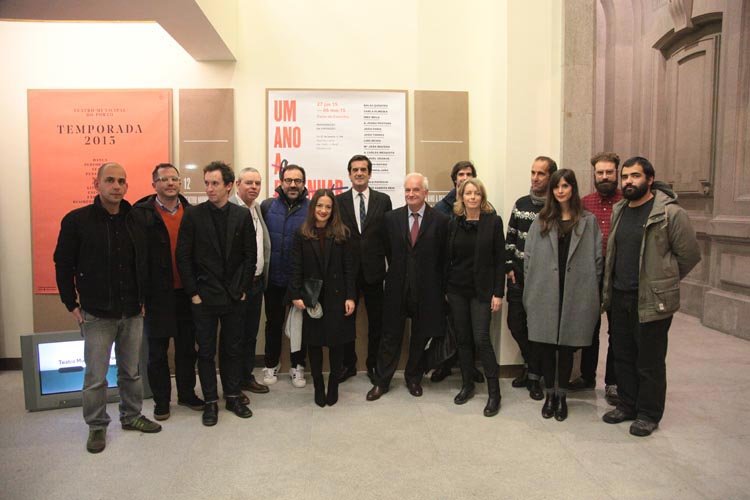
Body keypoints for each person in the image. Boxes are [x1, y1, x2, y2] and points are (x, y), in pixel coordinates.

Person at [54, 162, 161, 454]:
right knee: (95, 376)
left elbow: (145, 263)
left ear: (127, 186)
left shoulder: (136, 220)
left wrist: (144, 300)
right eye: (110, 180)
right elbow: (63, 264)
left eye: (121, 181)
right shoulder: (77, 221)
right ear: (97, 184)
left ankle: (131, 415)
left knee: (131, 371)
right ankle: (97, 425)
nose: (116, 186)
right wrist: (70, 303)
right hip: (97, 313)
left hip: (132, 312)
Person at [602, 156, 700, 437]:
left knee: (649, 361)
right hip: (620, 296)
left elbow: (689, 255)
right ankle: (627, 405)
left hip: (652, 300)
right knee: (622, 356)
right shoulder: (621, 209)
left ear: (650, 178)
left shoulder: (670, 213)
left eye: (635, 176)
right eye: (625, 177)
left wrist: (663, 281)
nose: (628, 181)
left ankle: (648, 414)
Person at [176, 161, 256, 426]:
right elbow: (183, 257)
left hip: (234, 296)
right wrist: (193, 293)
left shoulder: (241, 215)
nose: (209, 188)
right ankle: (210, 401)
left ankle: (232, 396)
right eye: (207, 183)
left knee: (232, 349)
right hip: (204, 296)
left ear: (228, 186)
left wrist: (242, 289)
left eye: (215, 183)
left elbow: (250, 256)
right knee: (206, 351)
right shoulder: (193, 215)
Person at [523, 169, 602, 421]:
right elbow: (528, 258)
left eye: (565, 186)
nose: (560, 190)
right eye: (556, 186)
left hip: (576, 291)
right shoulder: (541, 220)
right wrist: (531, 290)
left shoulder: (588, 221)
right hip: (545, 290)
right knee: (547, 346)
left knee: (567, 347)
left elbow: (597, 260)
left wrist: (592, 291)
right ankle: (549, 395)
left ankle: (562, 395)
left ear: (573, 188)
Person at [130, 163, 204, 422]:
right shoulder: (140, 214)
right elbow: (135, 257)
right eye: (164, 179)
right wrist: (139, 295)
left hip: (187, 293)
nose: (170, 183)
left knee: (187, 349)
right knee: (157, 352)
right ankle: (161, 401)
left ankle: (187, 394)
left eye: (174, 179)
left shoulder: (192, 212)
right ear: (154, 185)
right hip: (156, 295)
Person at [366, 173, 449, 401]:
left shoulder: (441, 221)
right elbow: (388, 251)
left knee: (420, 337)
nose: (411, 194)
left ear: (426, 193)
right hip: (396, 287)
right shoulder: (391, 219)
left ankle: (413, 378)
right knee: (390, 336)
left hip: (428, 289)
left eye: (416, 190)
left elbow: (443, 258)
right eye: (407, 190)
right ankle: (382, 382)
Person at [289, 189, 357, 407]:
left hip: (337, 297)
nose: (323, 210)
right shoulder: (302, 233)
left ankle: (334, 384)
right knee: (314, 344)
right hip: (312, 298)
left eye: (328, 206)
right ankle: (318, 385)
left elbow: (349, 268)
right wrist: (295, 295)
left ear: (333, 209)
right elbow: (296, 267)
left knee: (337, 344)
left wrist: (351, 296)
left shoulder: (342, 233)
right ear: (313, 208)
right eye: (320, 205)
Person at [446, 178, 505, 417]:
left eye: (476, 193)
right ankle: (467, 384)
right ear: (461, 197)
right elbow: (448, 258)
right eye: (468, 193)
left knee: (481, 338)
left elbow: (500, 260)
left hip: (482, 291)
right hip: (457, 290)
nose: (472, 197)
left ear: (482, 197)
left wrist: (498, 293)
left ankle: (494, 393)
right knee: (463, 339)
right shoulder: (454, 222)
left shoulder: (493, 222)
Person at [570, 152, 623, 405]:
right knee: (589, 329)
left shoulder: (626, 202)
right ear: (594, 174)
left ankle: (613, 382)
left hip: (618, 275)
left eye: (609, 172)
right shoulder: (584, 203)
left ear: (617, 173)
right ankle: (587, 376)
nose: (604, 177)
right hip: (590, 275)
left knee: (617, 331)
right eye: (600, 172)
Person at [335, 154, 392, 384]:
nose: (359, 173)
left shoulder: (383, 200)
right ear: (349, 174)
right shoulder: (338, 201)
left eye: (363, 169)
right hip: (347, 272)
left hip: (375, 272)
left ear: (370, 173)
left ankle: (373, 365)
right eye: (355, 170)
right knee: (346, 321)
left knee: (377, 322)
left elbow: (388, 236)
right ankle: (348, 365)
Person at [505, 156, 557, 400]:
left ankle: (534, 376)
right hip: (518, 276)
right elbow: (510, 238)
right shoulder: (521, 204)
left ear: (551, 177)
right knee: (516, 324)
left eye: (541, 174)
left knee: (538, 328)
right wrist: (508, 266)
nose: (535, 178)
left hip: (543, 280)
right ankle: (532, 365)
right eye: (533, 172)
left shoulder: (556, 207)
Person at [431, 160, 485, 385]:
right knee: (447, 325)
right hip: (449, 278)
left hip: (473, 280)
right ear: (454, 179)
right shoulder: (441, 208)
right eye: (461, 174)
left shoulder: (483, 208)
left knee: (470, 329)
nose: (464, 178)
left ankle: (469, 368)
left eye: (469, 174)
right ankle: (444, 364)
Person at [260, 164, 310, 388]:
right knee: (273, 323)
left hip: (299, 280)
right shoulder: (267, 206)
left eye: (297, 181)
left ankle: (298, 366)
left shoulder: (311, 208)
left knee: (300, 325)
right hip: (274, 279)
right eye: (288, 180)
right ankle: (271, 363)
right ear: (281, 182)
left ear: (303, 184)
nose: (293, 185)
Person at [230, 167, 271, 394]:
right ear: (237, 184)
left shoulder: (257, 209)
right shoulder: (230, 209)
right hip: (238, 286)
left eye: (257, 183)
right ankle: (233, 385)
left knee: (250, 334)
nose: (254, 187)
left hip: (257, 283)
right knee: (235, 336)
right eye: (249, 183)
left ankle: (246, 377)